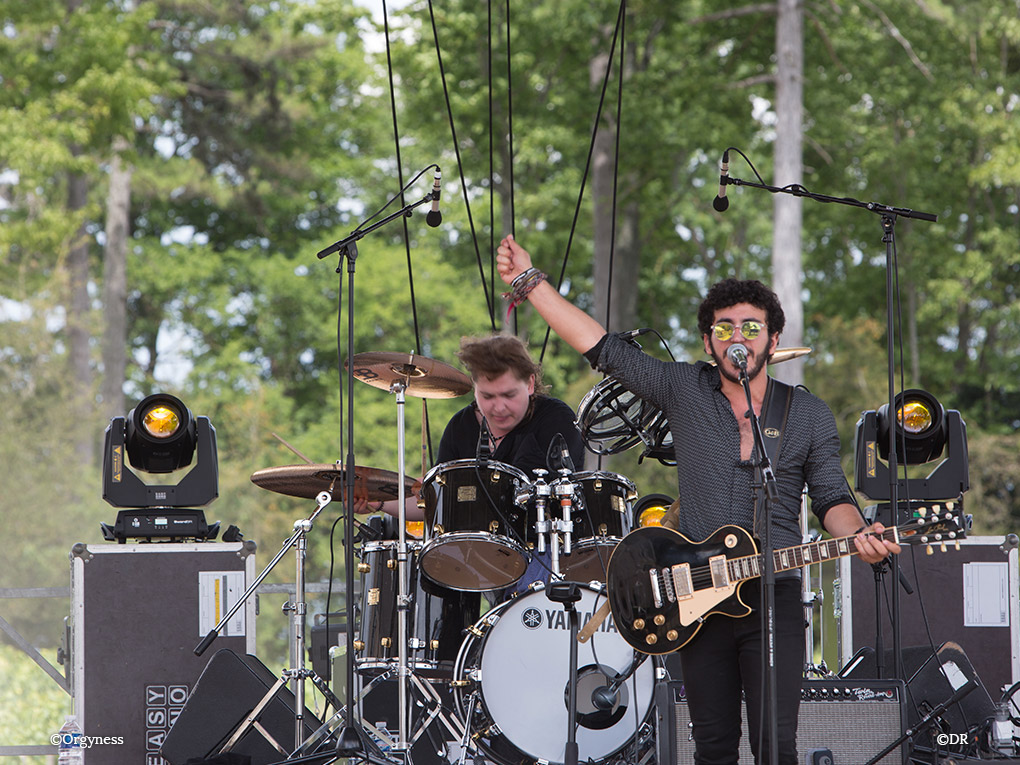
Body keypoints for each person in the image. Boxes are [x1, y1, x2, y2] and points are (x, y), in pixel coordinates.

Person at [495, 234, 900, 765]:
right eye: (724, 328)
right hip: (695, 599)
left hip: (773, 595)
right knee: (711, 747)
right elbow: (600, 346)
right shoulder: (683, 388)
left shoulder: (807, 413)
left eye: (751, 328)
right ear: (709, 342)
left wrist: (857, 535)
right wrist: (532, 282)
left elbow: (831, 496)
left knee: (777, 748)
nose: (739, 338)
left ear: (772, 340)